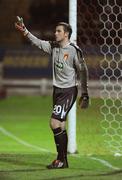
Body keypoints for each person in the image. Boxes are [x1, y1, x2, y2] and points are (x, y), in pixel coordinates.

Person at [15, 17, 89, 169]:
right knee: (60, 125)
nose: (55, 33)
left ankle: (61, 160)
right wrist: (25, 31)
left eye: (58, 31)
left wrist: (85, 93)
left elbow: (83, 71)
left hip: (69, 91)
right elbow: (37, 42)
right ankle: (63, 161)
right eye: (55, 31)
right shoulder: (53, 47)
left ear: (66, 34)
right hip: (57, 90)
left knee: (54, 123)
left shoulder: (74, 51)